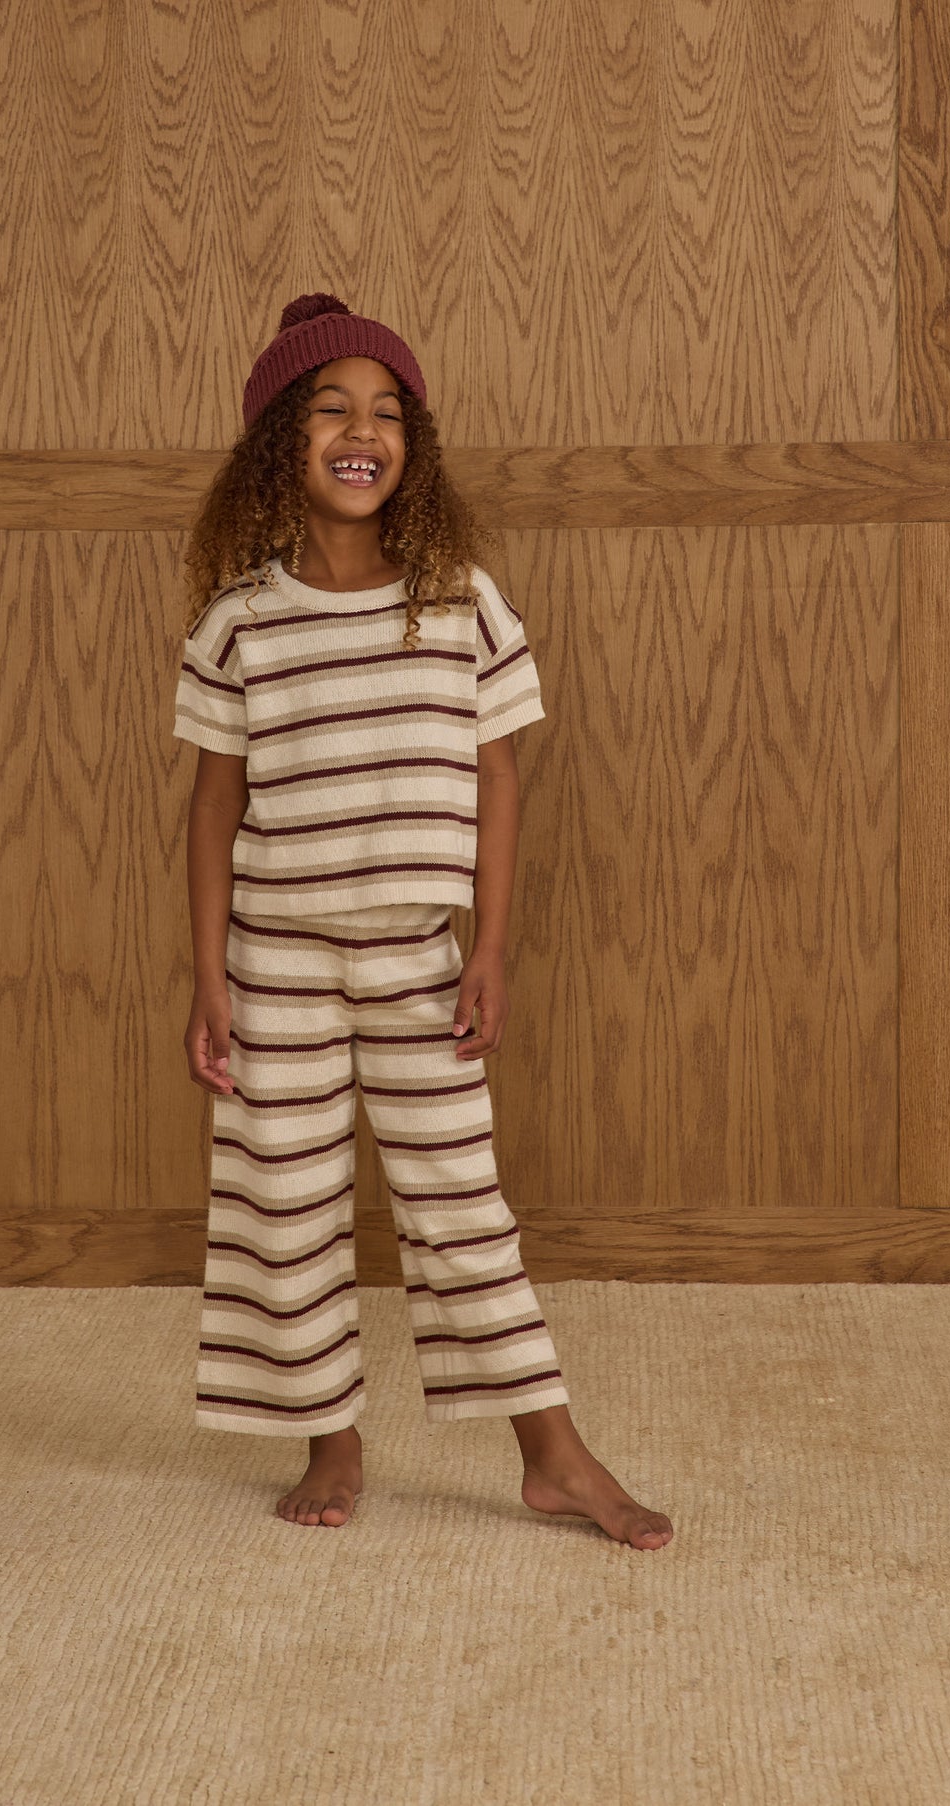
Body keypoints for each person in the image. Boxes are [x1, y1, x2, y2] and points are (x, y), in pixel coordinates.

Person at [172, 292, 673, 1550]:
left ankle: (552, 1456)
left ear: (414, 445)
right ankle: (329, 1438)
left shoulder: (458, 601)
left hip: (417, 957)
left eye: (387, 413)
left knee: (459, 1201)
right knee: (283, 1207)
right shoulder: (239, 619)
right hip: (274, 960)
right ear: (278, 442)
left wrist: (486, 947)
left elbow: (497, 778)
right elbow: (213, 805)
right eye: (330, 409)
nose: (362, 431)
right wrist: (208, 978)